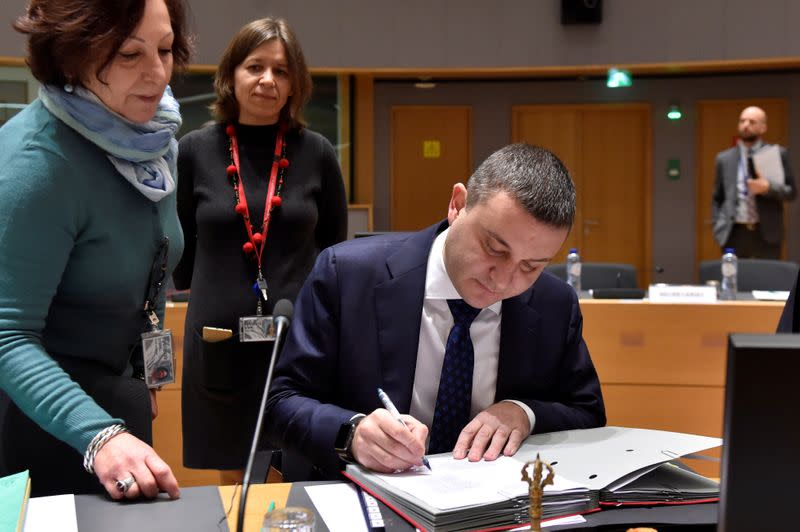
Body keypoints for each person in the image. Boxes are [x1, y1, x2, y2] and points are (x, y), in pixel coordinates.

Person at [264, 143, 606, 480]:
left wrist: (525, 413)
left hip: (492, 504)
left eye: (531, 266)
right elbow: (281, 402)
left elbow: (587, 412)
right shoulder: (347, 274)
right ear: (458, 205)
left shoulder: (554, 303)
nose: (503, 281)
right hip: (361, 497)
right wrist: (351, 433)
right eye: (494, 249)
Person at [0, 0, 191, 498]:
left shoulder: (155, 139)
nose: (156, 73)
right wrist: (99, 435)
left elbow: (151, 267)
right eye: (129, 55)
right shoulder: (37, 165)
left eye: (166, 50)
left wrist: (147, 368)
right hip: (36, 415)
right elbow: (7, 336)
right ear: (71, 56)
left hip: (114, 399)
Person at [173, 17, 347, 477]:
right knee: (234, 475)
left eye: (282, 71)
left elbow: (333, 247)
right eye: (255, 66)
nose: (268, 80)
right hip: (219, 339)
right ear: (232, 75)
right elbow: (178, 243)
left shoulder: (318, 152)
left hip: (298, 339)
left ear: (295, 85)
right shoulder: (193, 150)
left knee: (298, 467)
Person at [712, 106, 796, 258]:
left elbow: (791, 192)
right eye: (742, 121)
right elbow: (717, 198)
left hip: (766, 233)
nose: (746, 125)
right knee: (734, 279)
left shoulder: (777, 154)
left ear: (763, 127)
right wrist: (718, 225)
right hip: (733, 233)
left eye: (752, 122)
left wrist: (768, 188)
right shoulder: (724, 159)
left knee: (767, 279)